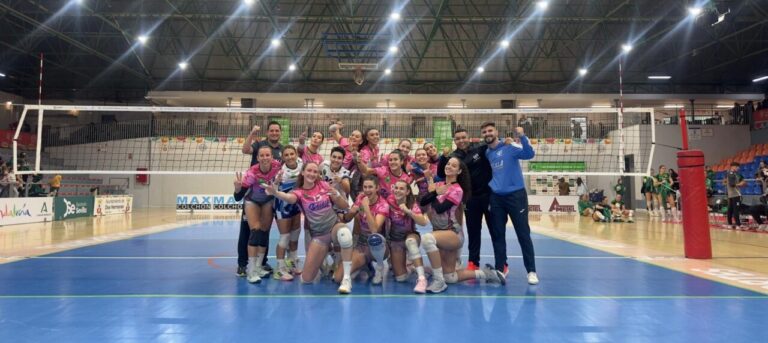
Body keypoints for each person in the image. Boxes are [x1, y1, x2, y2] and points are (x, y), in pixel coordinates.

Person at [264, 162, 356, 294]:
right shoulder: (299, 192)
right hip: (319, 235)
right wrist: (276, 193)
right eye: (309, 171)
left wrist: (337, 195)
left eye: (315, 171)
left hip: (334, 226)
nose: (312, 174)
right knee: (306, 279)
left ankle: (346, 279)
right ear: (302, 172)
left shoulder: (324, 185)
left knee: (345, 235)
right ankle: (326, 253)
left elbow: (345, 206)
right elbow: (289, 198)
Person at [419, 157, 503, 293]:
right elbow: (423, 202)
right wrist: (434, 192)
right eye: (448, 164)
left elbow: (440, 209)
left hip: (452, 233)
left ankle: (439, 281)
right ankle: (486, 273)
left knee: (427, 239)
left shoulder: (457, 190)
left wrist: (433, 193)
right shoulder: (439, 184)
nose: (449, 166)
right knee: (450, 277)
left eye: (453, 165)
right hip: (440, 233)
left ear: (459, 171)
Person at [483, 122, 539, 285]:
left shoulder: (509, 147)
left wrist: (522, 136)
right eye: (484, 131)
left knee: (523, 234)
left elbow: (529, 154)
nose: (487, 133)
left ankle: (531, 271)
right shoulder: (487, 153)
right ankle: (500, 269)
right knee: (498, 235)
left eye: (490, 130)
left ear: (496, 132)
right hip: (496, 198)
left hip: (516, 196)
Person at [436, 128, 494, 271]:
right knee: (473, 231)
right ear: (454, 141)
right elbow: (441, 173)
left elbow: (494, 144)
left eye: (463, 137)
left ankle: (501, 264)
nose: (461, 140)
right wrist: (443, 157)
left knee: (495, 230)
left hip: (488, 196)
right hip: (470, 198)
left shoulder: (480, 148)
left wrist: (507, 142)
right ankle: (473, 263)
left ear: (469, 138)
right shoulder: (453, 156)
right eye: (458, 138)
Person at [241, 122, 283, 272]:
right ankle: (245, 266)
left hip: (268, 198)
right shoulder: (259, 145)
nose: (274, 133)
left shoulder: (281, 153)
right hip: (252, 197)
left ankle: (260, 265)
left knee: (264, 231)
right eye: (271, 130)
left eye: (277, 130)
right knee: (251, 231)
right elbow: (245, 149)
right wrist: (252, 133)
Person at [340, 176, 390, 285]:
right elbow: (346, 219)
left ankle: (379, 267)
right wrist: (351, 212)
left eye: (370, 187)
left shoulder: (383, 204)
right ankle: (365, 264)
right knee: (338, 277)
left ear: (377, 188)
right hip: (362, 244)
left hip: (379, 245)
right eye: (365, 187)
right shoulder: (360, 198)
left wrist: (366, 208)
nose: (367, 190)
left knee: (375, 238)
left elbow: (374, 230)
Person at [387, 180, 430, 293]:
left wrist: (408, 211)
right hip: (396, 240)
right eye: (396, 188)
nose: (398, 191)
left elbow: (423, 222)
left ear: (407, 192)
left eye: (401, 189)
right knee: (401, 278)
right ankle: (412, 267)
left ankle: (422, 279)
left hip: (410, 235)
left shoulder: (411, 203)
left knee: (411, 242)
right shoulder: (389, 201)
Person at [272, 145, 304, 281]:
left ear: (296, 154)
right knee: (285, 237)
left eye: (292, 154)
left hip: (296, 205)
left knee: (295, 234)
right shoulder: (281, 172)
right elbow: (271, 190)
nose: (290, 157)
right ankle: (279, 269)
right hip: (282, 206)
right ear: (283, 157)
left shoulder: (301, 164)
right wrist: (276, 182)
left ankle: (292, 261)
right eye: (286, 155)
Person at [725, 162, 747, 228]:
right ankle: (738, 224)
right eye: (737, 167)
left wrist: (742, 182)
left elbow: (742, 180)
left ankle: (730, 224)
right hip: (735, 194)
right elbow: (732, 184)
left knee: (730, 209)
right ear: (733, 167)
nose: (738, 168)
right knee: (736, 210)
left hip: (731, 194)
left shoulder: (734, 174)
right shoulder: (731, 174)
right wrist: (740, 184)